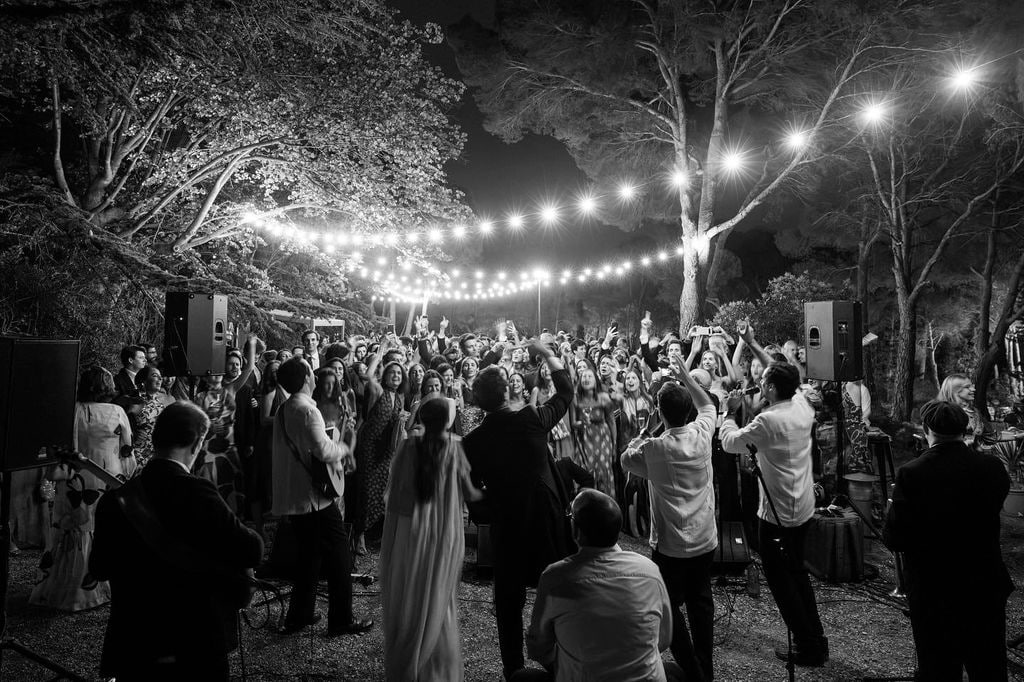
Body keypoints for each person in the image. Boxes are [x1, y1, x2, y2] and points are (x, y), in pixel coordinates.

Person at [90, 402, 264, 681]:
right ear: (196, 444)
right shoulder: (197, 491)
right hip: (194, 639)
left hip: (135, 640)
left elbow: (98, 568)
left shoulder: (114, 500)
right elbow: (252, 549)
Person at [463, 341, 576, 681]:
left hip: (508, 527)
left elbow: (471, 490)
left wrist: (491, 510)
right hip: (546, 523)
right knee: (557, 592)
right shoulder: (531, 420)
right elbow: (566, 392)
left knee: (508, 603)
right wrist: (548, 354)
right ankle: (564, 662)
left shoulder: (473, 442)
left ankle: (513, 668)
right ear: (507, 395)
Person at [719, 322, 827, 667]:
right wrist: (751, 343)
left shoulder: (766, 421)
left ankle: (808, 646)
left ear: (768, 387)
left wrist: (728, 412)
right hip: (802, 507)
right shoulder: (802, 406)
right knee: (799, 574)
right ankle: (816, 639)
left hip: (777, 514)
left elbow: (730, 443)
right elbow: (785, 376)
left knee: (783, 585)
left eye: (764, 381)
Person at [883, 400, 1014, 681]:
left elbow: (895, 538)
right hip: (984, 581)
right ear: (964, 430)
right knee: (989, 666)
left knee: (939, 667)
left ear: (927, 429)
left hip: (935, 587)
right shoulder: (991, 467)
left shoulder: (913, 472)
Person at [621, 369, 718, 682]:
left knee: (668, 606)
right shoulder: (703, 434)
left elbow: (625, 459)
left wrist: (646, 431)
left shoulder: (655, 449)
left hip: (672, 545)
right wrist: (686, 376)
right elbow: (709, 407)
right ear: (687, 409)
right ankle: (706, 668)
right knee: (701, 603)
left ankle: (692, 668)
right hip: (705, 538)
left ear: (659, 412)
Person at [519, 489, 675, 682]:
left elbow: (539, 647)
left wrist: (569, 663)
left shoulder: (555, 578)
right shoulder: (650, 570)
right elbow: (664, 638)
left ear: (576, 530)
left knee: (523, 677)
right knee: (673, 671)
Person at [380, 397, 483, 681]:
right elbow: (471, 494)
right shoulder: (454, 447)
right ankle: (434, 663)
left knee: (410, 590)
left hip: (409, 532)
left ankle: (406, 655)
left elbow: (392, 495)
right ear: (448, 421)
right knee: (439, 593)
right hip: (442, 534)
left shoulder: (408, 445)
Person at [271, 357, 372, 636]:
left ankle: (299, 616)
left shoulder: (284, 408)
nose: (315, 376)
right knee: (339, 558)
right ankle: (341, 620)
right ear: (306, 377)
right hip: (314, 498)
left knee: (309, 557)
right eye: (311, 373)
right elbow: (324, 451)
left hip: (296, 496)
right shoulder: (307, 410)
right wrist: (344, 447)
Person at [353, 338, 408, 554]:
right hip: (369, 446)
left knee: (383, 490)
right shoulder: (378, 391)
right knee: (366, 490)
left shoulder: (400, 397)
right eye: (391, 372)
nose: (395, 376)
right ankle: (359, 535)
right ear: (384, 375)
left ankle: (375, 533)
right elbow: (367, 375)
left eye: (399, 373)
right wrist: (381, 351)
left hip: (387, 450)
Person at [130, 366, 174, 471]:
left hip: (157, 453)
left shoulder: (160, 403)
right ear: (143, 380)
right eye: (155, 376)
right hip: (139, 453)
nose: (160, 379)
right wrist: (133, 432)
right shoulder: (136, 400)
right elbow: (124, 422)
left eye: (160, 377)